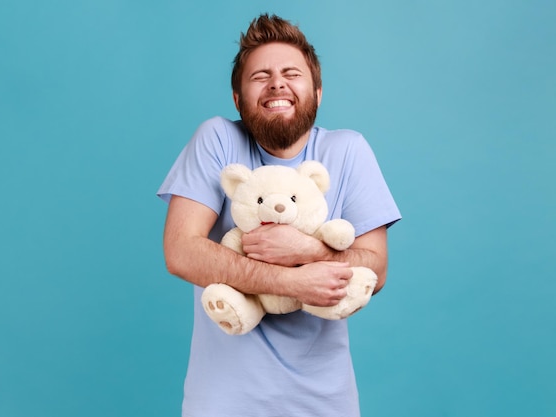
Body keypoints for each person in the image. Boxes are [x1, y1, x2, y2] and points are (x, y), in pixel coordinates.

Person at [157, 13, 401, 417]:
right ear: (238, 99)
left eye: (292, 73)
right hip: (222, 401)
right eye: (260, 76)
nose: (277, 84)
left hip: (326, 401)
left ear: (318, 92)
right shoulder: (217, 139)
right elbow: (180, 252)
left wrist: (306, 250)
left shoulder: (347, 151)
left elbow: (376, 267)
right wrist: (292, 280)